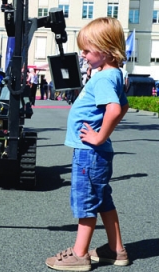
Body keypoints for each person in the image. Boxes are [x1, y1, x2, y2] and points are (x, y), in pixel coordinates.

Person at [45, 17, 130, 271]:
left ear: (105, 51)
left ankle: (80, 255)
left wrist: (99, 136)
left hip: (89, 152)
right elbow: (123, 105)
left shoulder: (104, 78)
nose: (82, 54)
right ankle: (117, 250)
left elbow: (114, 110)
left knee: (86, 202)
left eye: (87, 50)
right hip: (97, 153)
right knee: (103, 199)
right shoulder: (111, 73)